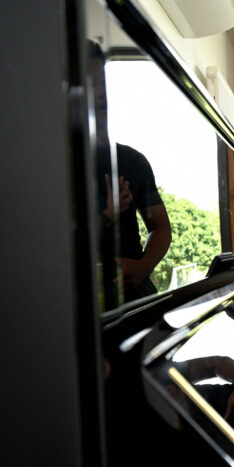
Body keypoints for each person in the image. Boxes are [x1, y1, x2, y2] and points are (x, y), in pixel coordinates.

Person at [88, 41, 172, 307]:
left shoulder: (132, 160)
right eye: (89, 85)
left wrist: (144, 266)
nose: (100, 93)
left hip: (136, 296)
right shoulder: (53, 164)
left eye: (102, 82)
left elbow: (160, 227)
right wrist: (105, 214)